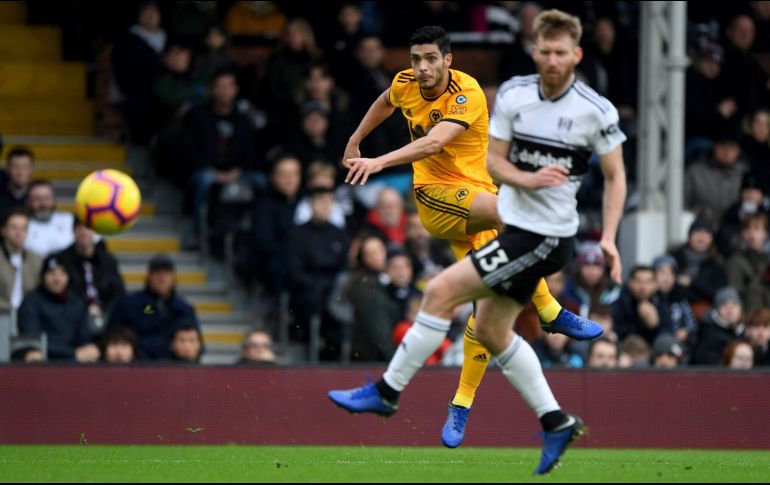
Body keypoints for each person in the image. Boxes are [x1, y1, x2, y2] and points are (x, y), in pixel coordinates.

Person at [329, 10, 627, 474]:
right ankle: (547, 399)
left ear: (576, 55)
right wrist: (354, 139)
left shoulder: (584, 109)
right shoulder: (515, 97)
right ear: (534, 52)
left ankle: (404, 395)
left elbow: (615, 177)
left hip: (536, 227)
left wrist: (607, 236)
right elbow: (390, 102)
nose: (423, 67)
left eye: (559, 52)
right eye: (543, 51)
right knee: (486, 309)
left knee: (465, 305)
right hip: (448, 200)